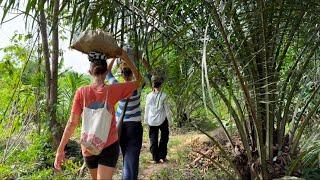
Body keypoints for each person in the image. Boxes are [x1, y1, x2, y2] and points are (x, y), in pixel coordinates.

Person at [54, 50, 142, 180]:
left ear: (90, 72)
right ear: (106, 72)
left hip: (89, 146)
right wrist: (125, 58)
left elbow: (71, 123)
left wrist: (60, 150)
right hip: (109, 145)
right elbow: (139, 81)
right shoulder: (113, 90)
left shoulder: (81, 92)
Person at [106, 53, 147, 180]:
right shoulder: (137, 86)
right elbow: (142, 78)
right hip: (134, 127)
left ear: (122, 74)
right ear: (132, 73)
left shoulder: (118, 86)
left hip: (120, 127)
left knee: (126, 158)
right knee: (131, 159)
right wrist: (132, 60)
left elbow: (107, 72)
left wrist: (115, 56)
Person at [144, 75, 171, 164]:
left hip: (152, 121)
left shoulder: (148, 96)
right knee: (164, 138)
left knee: (153, 139)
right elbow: (167, 110)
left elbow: (146, 109)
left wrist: (146, 120)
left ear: (153, 86)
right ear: (161, 85)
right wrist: (170, 121)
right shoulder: (164, 96)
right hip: (162, 120)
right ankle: (162, 156)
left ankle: (155, 158)